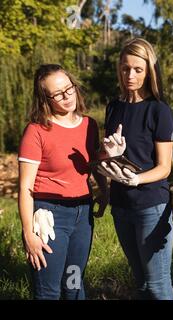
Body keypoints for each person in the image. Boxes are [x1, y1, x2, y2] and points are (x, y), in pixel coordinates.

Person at [18, 64, 108, 300]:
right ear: (45, 99)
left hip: (83, 215)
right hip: (49, 216)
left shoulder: (89, 125)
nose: (66, 97)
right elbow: (25, 186)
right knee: (49, 291)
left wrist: (105, 191)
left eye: (68, 89)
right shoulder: (36, 131)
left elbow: (92, 162)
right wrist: (28, 232)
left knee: (74, 284)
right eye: (57, 94)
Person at [98, 38, 173, 300]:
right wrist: (109, 155)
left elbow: (165, 168)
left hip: (150, 207)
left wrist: (135, 179)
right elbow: (110, 159)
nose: (130, 75)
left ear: (149, 71)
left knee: (157, 284)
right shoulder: (114, 108)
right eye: (125, 68)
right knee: (140, 282)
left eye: (137, 69)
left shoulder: (159, 110)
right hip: (121, 207)